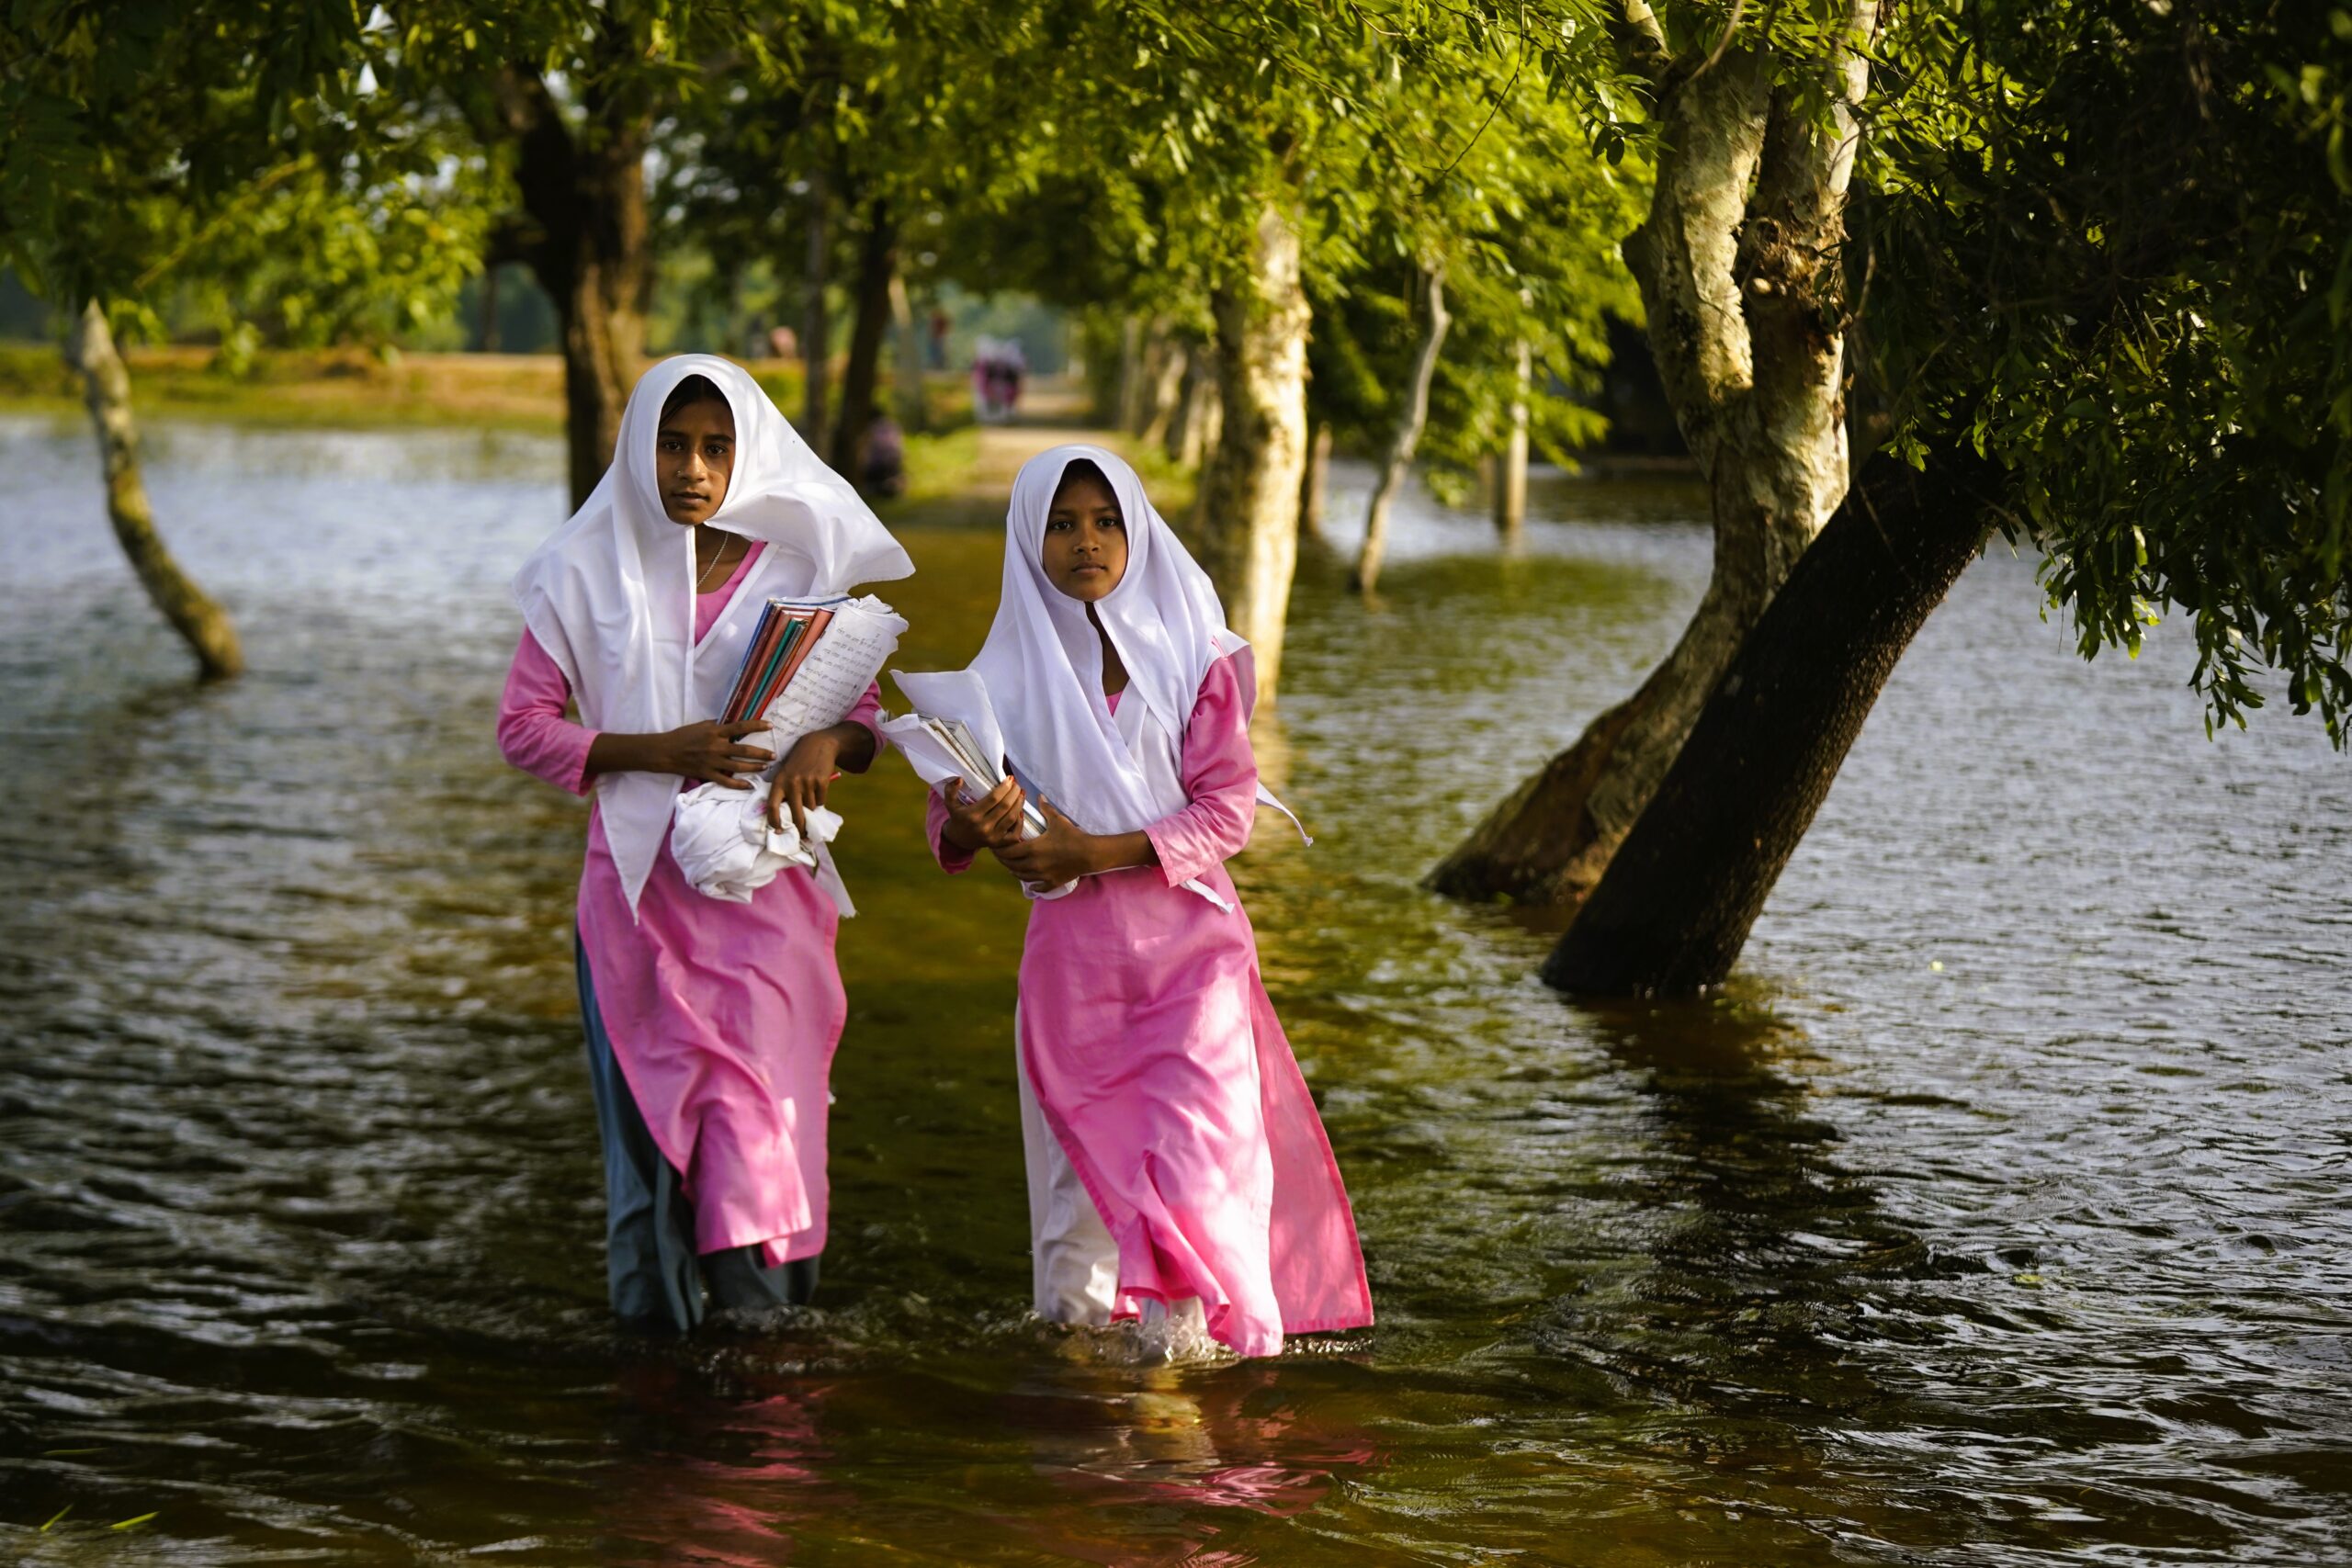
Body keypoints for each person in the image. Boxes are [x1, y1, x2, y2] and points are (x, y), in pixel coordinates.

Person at [922, 444, 1373, 1359]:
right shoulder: (996, 682)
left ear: (1135, 531)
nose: (1084, 541)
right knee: (1073, 1215)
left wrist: (1095, 850)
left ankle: (1195, 1396)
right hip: (1070, 977)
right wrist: (978, 825)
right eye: (1059, 523)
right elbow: (948, 822)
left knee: (1199, 1177)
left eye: (1104, 520)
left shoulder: (1194, 661)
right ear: (1026, 539)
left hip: (1193, 967)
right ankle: (1090, 1438)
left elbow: (1228, 812)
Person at [497, 355, 914, 1332]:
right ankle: (655, 1375)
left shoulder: (797, 576)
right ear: (640, 452)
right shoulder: (583, 572)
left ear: (746, 456)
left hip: (764, 898)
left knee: (765, 1126)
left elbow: (864, 718)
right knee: (647, 1149)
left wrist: (827, 745)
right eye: (673, 445)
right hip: (635, 906)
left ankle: (762, 1362)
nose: (692, 467)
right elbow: (523, 725)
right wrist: (656, 750)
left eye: (715, 448)